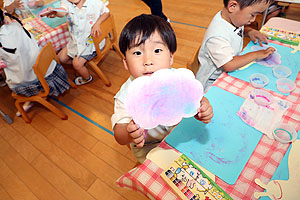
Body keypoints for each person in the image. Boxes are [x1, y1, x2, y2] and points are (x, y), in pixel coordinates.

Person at [111, 14, 214, 163]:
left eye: (157, 51)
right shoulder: (126, 96)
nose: (148, 61)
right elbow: (119, 134)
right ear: (126, 62)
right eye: (137, 53)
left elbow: (195, 98)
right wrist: (129, 132)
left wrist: (203, 107)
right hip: (151, 148)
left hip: (181, 134)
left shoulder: (176, 78)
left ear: (171, 57)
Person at [0, 8, 70, 116]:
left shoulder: (2, 42)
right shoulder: (16, 24)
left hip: (31, 80)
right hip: (49, 68)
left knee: (8, 75)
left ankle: (30, 99)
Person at [195, 0, 276, 91]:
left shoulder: (231, 18)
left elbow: (233, 30)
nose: (253, 20)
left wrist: (249, 31)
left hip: (227, 73)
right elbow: (229, 64)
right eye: (253, 15)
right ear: (232, 6)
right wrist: (256, 54)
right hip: (211, 84)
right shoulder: (217, 36)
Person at [41, 0, 110, 86]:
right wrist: (55, 11)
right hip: (76, 41)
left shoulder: (94, 2)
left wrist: (97, 23)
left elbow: (106, 13)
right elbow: (62, 11)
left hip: (92, 44)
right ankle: (81, 66)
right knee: (61, 58)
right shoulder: (66, 3)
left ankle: (87, 78)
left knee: (77, 64)